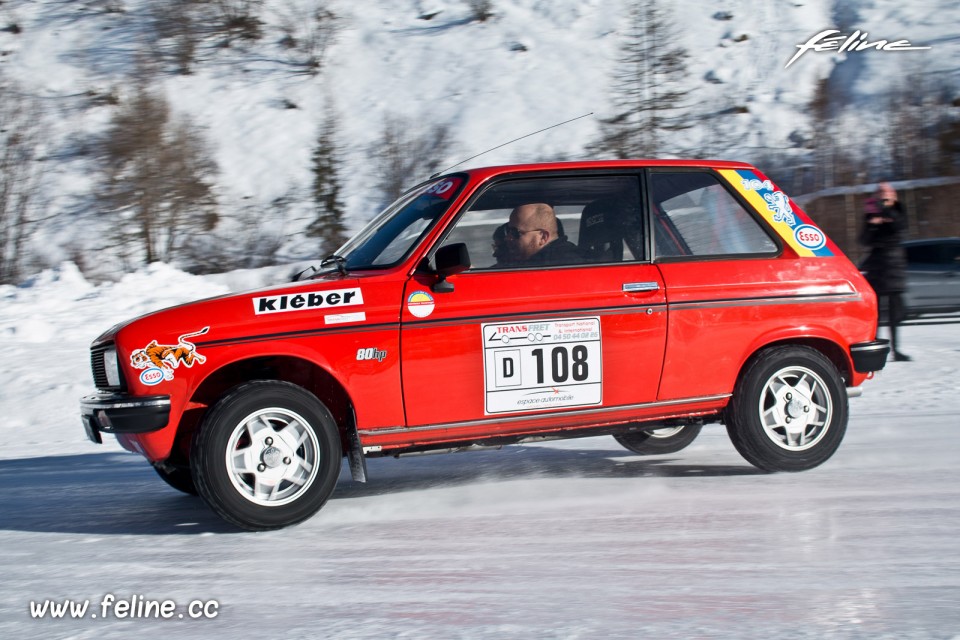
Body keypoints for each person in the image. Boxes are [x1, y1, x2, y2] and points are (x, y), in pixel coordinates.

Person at [860, 182, 910, 361]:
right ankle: (875, 350)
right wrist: (872, 224)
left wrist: (886, 212)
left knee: (896, 313)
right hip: (877, 266)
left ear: (893, 195)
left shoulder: (899, 209)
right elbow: (863, 239)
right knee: (877, 312)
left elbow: (900, 226)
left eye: (886, 192)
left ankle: (896, 350)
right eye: (880, 192)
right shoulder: (871, 213)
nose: (883, 196)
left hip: (895, 265)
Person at [505, 203, 582, 266]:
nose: (508, 238)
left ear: (543, 237)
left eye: (515, 232)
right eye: (508, 231)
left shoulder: (555, 266)